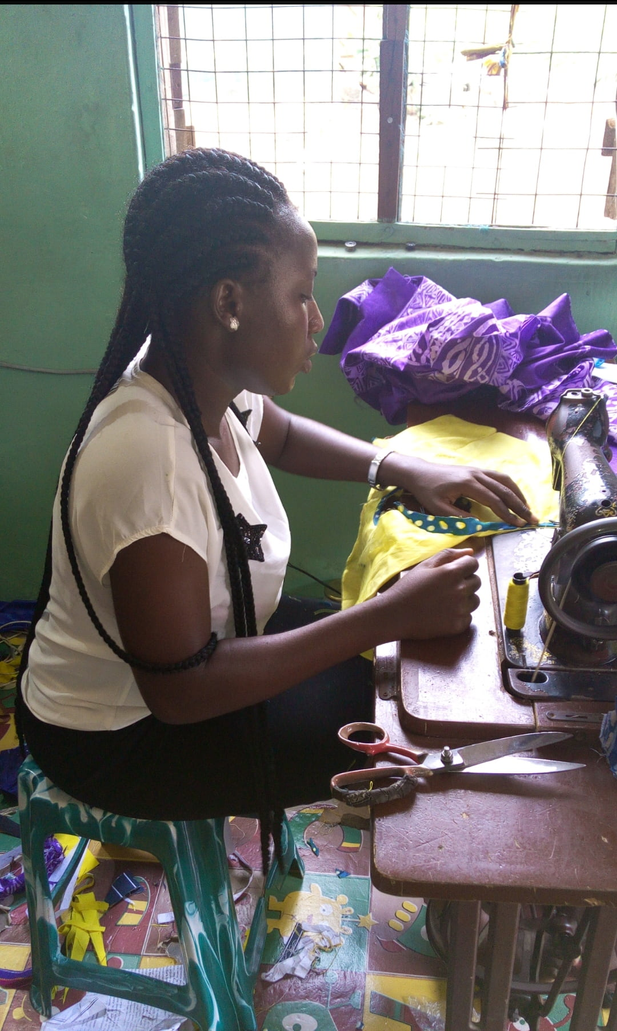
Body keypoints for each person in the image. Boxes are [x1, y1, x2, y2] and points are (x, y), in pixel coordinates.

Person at [16, 148, 534, 861]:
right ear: (229, 302)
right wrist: (386, 612)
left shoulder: (198, 382)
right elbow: (183, 692)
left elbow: (281, 433)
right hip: (120, 735)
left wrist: (400, 463)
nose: (316, 322)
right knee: (394, 720)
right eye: (301, 295)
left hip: (207, 645)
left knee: (390, 663)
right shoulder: (145, 459)